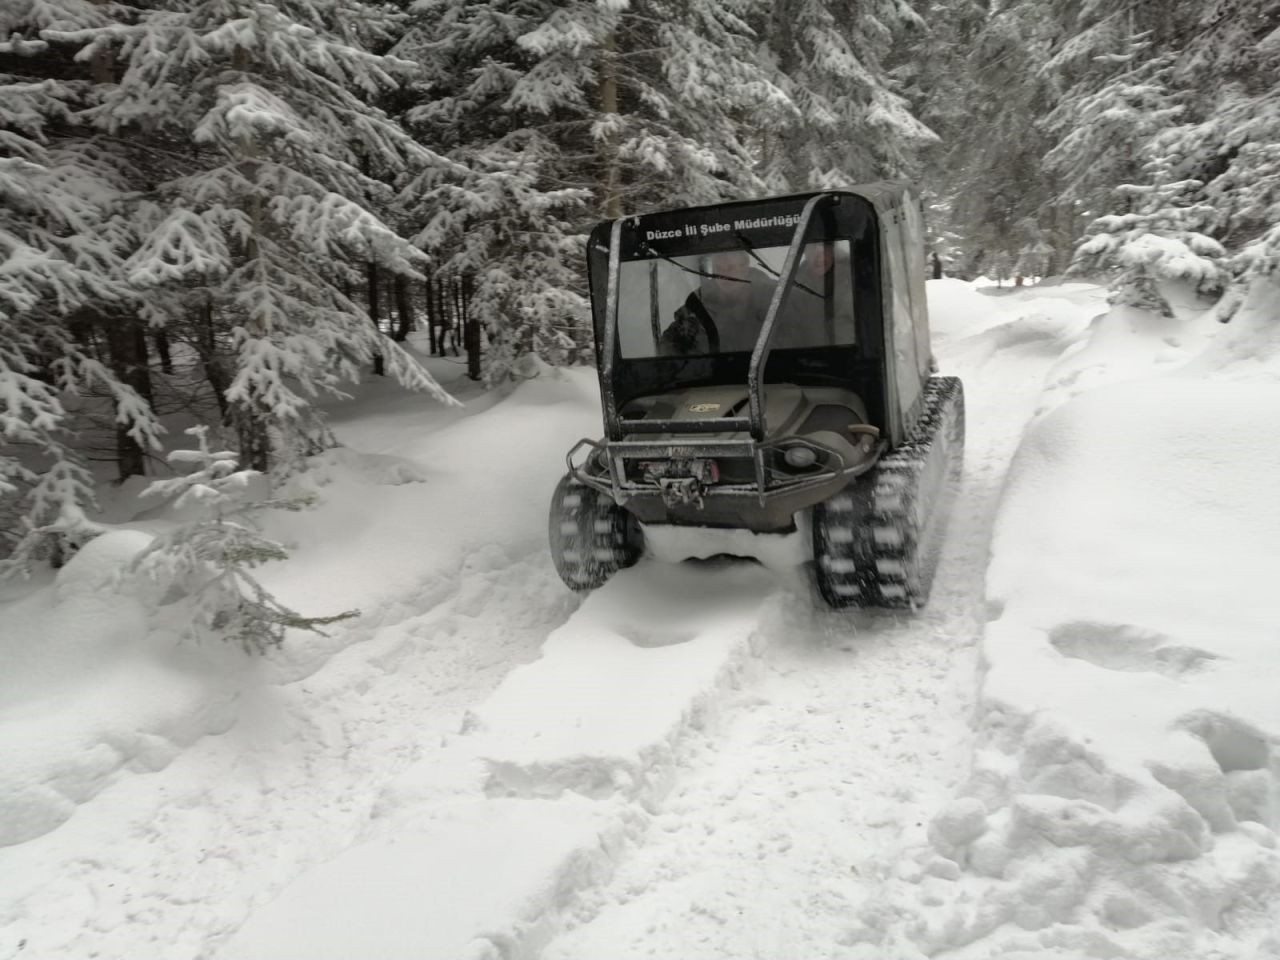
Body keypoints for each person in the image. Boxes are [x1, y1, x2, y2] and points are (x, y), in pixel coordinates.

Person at [659, 250, 775, 356]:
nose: (723, 275)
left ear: (744, 267)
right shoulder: (698, 306)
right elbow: (668, 347)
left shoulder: (777, 299)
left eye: (730, 268)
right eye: (718, 269)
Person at [773, 242, 855, 348]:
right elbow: (786, 332)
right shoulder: (791, 287)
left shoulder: (854, 283)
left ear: (833, 249)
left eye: (824, 245)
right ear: (804, 250)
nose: (819, 253)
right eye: (813, 245)